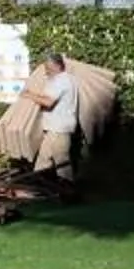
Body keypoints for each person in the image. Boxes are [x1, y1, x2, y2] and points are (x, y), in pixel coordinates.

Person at [29, 50, 81, 186]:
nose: (46, 70)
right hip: (54, 128)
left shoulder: (62, 81)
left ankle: (68, 191)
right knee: (43, 160)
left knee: (61, 162)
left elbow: (48, 102)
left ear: (57, 66)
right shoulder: (66, 79)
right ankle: (40, 190)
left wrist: (29, 95)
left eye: (48, 67)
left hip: (59, 129)